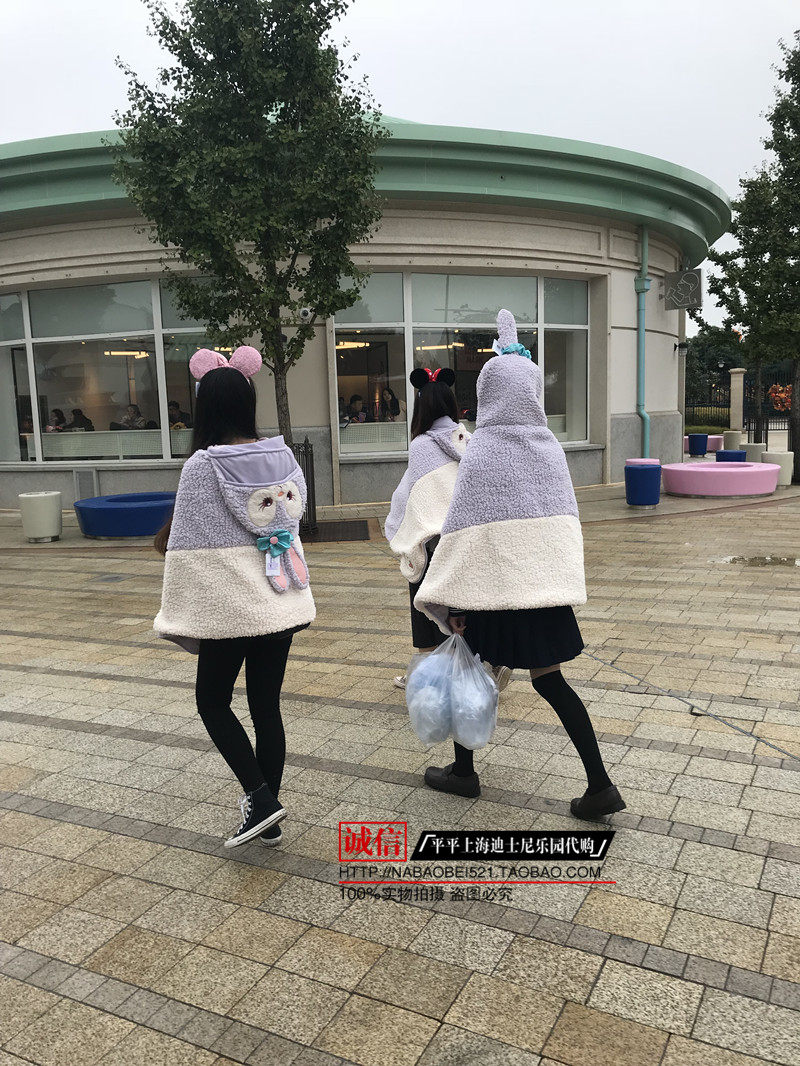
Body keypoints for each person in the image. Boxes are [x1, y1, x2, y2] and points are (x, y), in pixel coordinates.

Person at [416, 309, 625, 821]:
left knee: (470, 670)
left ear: (488, 393)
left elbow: (463, 530)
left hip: (491, 590)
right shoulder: (550, 449)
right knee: (550, 680)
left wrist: (451, 600)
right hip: (541, 589)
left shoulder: (482, 449)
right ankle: (599, 784)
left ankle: (464, 772)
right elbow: (564, 522)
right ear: (532, 393)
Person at [153, 345, 316, 848]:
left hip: (230, 610)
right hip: (280, 598)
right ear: (248, 402)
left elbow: (189, 546)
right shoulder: (282, 458)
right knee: (266, 706)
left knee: (212, 701)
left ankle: (260, 800)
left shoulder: (202, 466)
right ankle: (268, 816)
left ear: (205, 407)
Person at [385, 367, 467, 689]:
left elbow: (415, 498)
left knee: (424, 613)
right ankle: (471, 670)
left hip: (430, 543)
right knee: (462, 612)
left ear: (421, 407)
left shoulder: (421, 445)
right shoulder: (466, 440)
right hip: (462, 542)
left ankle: (423, 677)